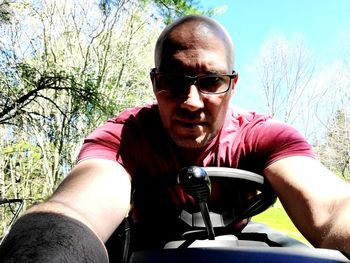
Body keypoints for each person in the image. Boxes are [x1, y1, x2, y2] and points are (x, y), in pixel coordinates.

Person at [1, 14, 350, 263]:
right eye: (174, 80)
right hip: (147, 247)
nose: (191, 102)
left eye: (211, 81)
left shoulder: (264, 134)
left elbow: (333, 208)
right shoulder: (124, 136)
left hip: (245, 239)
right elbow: (74, 210)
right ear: (155, 84)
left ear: (232, 85)